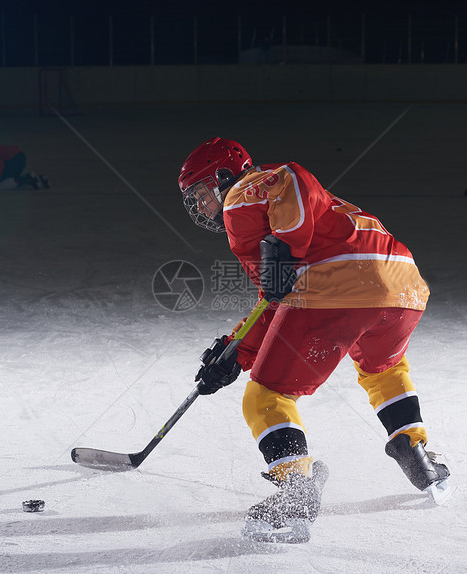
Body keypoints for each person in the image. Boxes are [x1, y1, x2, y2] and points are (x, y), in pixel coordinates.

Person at [178, 137, 451, 543]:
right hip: (403, 285)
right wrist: (234, 352)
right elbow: (274, 301)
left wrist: (286, 245)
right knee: (384, 368)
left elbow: (292, 175)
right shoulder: (290, 216)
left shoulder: (240, 196)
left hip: (340, 283)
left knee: (266, 397)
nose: (201, 207)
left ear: (222, 177)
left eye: (201, 193)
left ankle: (296, 489)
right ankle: (412, 446)